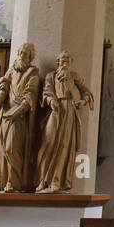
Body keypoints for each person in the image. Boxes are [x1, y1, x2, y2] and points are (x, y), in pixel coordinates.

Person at [35, 50, 94, 194]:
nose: (65, 62)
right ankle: (43, 180)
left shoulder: (74, 77)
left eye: (68, 60)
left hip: (69, 112)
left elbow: (87, 92)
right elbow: (46, 91)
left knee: (65, 146)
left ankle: (57, 181)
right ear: (58, 62)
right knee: (48, 143)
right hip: (56, 111)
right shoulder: (51, 76)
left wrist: (82, 101)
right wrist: (51, 100)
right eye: (62, 60)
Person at [0, 43, 39, 193]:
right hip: (5, 114)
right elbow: (3, 88)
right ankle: (1, 181)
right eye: (21, 52)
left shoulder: (32, 73)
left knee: (12, 148)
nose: (22, 55)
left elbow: (30, 95)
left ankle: (13, 182)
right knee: (2, 148)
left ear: (30, 57)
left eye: (26, 53)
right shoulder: (11, 71)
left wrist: (17, 111)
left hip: (18, 117)